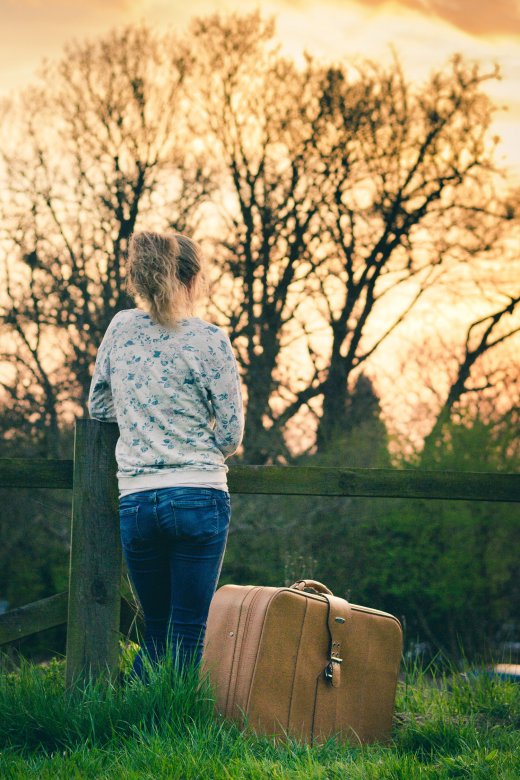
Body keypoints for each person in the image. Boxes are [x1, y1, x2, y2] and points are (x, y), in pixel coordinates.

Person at [87, 231, 244, 679]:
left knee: (154, 629)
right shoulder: (211, 340)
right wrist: (195, 454)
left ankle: (134, 722)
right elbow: (231, 434)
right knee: (190, 631)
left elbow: (99, 407)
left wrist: (143, 419)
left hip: (137, 499)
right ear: (192, 278)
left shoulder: (120, 327)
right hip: (199, 496)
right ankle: (176, 723)